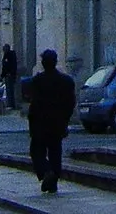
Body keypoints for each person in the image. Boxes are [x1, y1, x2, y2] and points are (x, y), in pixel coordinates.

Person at [25, 49, 75, 194]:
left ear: (43, 63)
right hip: (57, 123)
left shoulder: (37, 81)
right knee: (55, 152)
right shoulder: (66, 81)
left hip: (40, 124)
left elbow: (32, 102)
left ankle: (47, 172)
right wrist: (65, 119)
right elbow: (71, 103)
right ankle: (53, 181)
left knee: (37, 152)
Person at [1, 44, 20, 110]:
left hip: (10, 75)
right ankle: (10, 104)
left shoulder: (10, 55)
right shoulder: (7, 55)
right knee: (9, 90)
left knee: (10, 90)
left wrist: (10, 73)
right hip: (8, 75)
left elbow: (10, 65)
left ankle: (11, 104)